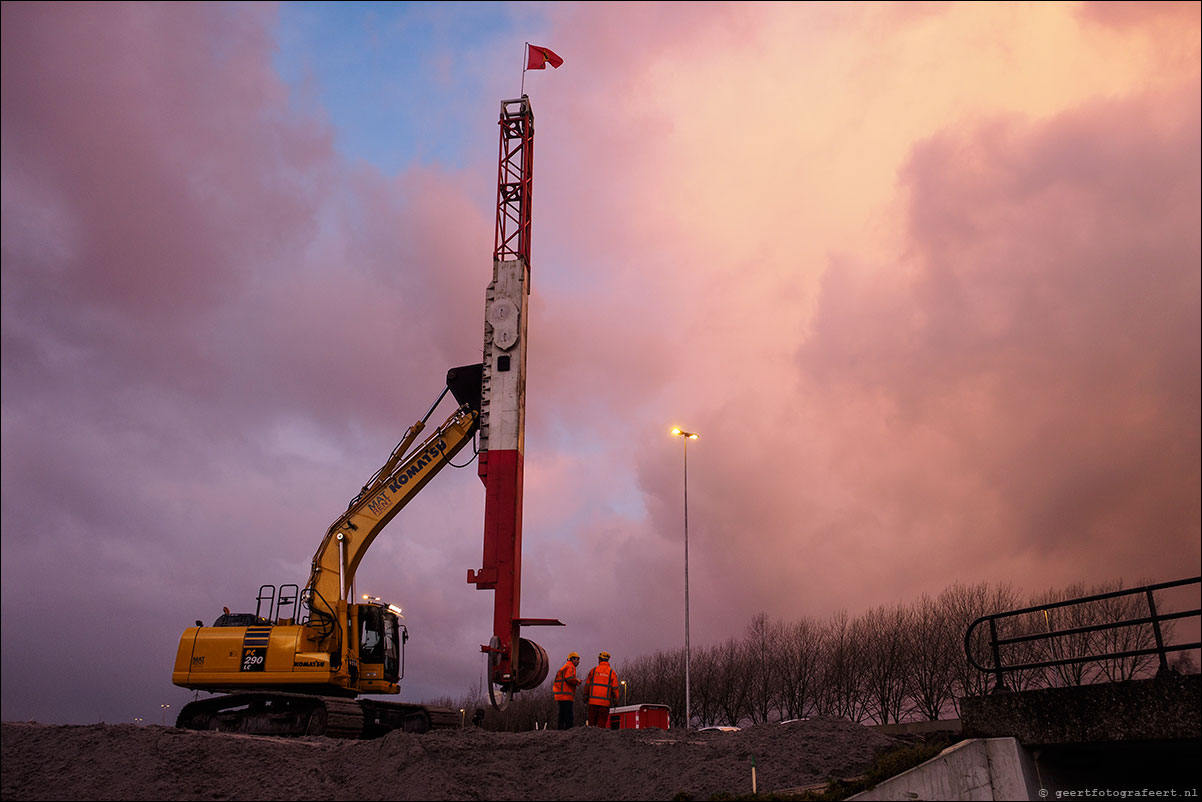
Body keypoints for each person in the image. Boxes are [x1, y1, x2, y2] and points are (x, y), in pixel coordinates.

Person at [584, 651, 619, 728]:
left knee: (591, 726)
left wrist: (585, 696)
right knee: (601, 726)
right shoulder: (611, 673)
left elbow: (587, 685)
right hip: (604, 704)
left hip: (592, 703)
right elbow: (615, 688)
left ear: (599, 659)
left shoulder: (593, 671)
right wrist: (616, 700)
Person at [552, 651, 582, 729]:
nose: (578, 661)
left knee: (562, 714)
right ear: (572, 659)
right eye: (577, 659)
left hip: (559, 694)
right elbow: (569, 678)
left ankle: (560, 729)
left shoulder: (564, 667)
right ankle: (568, 730)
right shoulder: (570, 667)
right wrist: (577, 681)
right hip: (566, 695)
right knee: (568, 714)